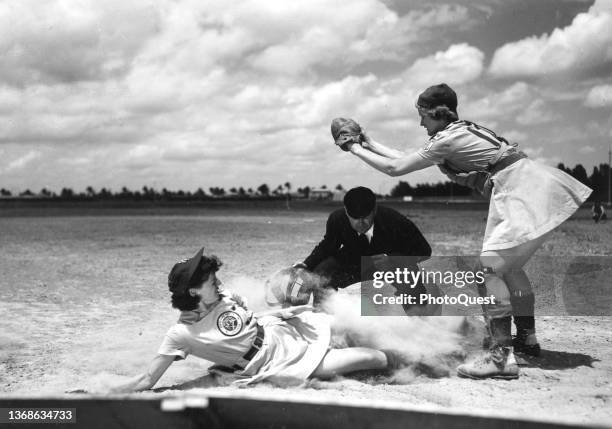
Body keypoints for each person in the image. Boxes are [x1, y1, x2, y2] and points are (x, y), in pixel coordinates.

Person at [335, 83, 592, 379]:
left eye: (423, 116)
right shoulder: (460, 131)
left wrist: (353, 148)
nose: (421, 123)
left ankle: (500, 358)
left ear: (438, 113)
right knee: (509, 268)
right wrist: (369, 142)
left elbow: (395, 168)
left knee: (488, 270)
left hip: (520, 189)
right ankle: (527, 341)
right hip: (537, 183)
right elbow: (404, 157)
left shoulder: (447, 139)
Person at [110, 248, 396, 392]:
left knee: (359, 325)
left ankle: (422, 348)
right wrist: (104, 392)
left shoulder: (223, 295)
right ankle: (410, 364)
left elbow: (252, 320)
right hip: (277, 363)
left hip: (283, 330)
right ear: (194, 290)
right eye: (211, 279)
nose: (218, 282)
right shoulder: (180, 334)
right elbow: (148, 379)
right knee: (373, 358)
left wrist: (285, 311)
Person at [294, 186, 432, 306]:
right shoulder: (337, 219)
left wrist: (393, 260)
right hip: (354, 263)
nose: (360, 223)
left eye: (365, 217)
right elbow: (327, 247)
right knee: (322, 272)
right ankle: (324, 314)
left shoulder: (395, 221)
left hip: (389, 265)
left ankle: (418, 317)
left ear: (374, 210)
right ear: (346, 212)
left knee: (410, 277)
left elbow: (424, 250)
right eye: (354, 217)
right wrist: (306, 265)